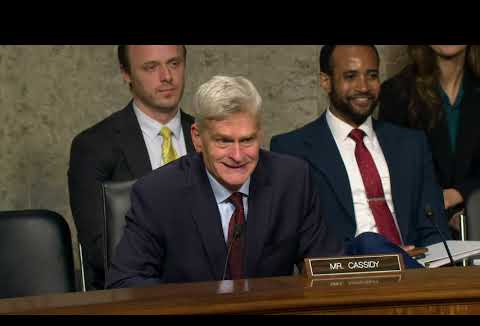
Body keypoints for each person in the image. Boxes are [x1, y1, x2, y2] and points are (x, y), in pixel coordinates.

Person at [106, 75, 341, 288]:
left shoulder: (292, 180)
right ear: (198, 138)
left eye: (247, 140)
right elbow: (126, 282)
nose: (238, 156)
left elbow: (327, 268)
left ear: (259, 134)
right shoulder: (158, 193)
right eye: (224, 142)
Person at [270, 45, 450, 253]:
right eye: (350, 76)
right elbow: (293, 240)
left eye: (372, 75)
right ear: (325, 81)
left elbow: (435, 229)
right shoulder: (292, 149)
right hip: (343, 276)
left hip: (415, 272)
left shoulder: (411, 144)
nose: (363, 87)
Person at [68, 45, 196, 290]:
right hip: (133, 295)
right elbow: (102, 251)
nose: (166, 76)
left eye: (174, 63)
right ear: (125, 73)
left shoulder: (213, 139)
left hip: (209, 293)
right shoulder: (93, 147)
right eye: (150, 67)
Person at [379, 45, 480, 236]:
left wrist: (460, 194)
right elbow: (395, 173)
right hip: (423, 230)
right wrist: (438, 205)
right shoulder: (396, 92)